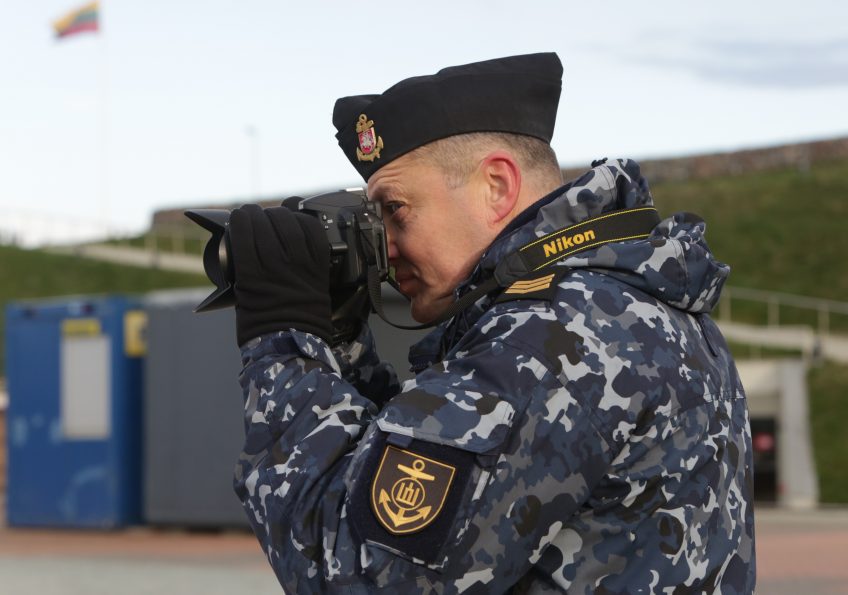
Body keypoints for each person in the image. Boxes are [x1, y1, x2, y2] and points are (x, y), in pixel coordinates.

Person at [228, 52, 756, 594]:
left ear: (497, 186)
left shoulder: (552, 337)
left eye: (397, 210)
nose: (384, 247)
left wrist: (283, 343)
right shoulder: (620, 303)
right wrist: (338, 341)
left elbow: (357, 572)